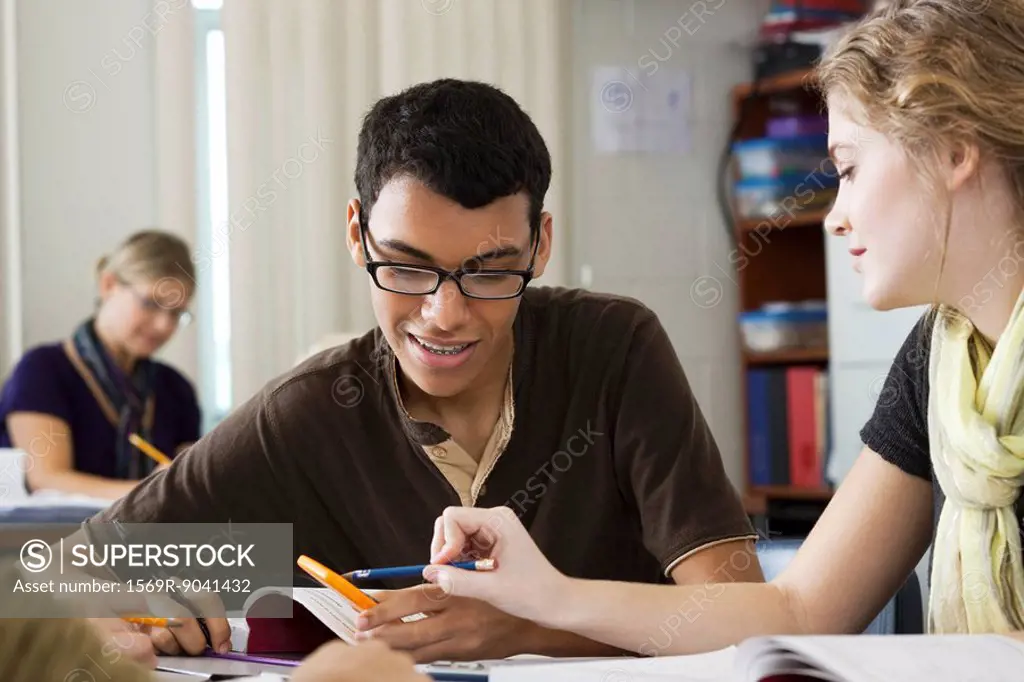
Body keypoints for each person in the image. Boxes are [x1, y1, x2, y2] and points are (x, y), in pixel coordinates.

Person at [366, 0, 1024, 654]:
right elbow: (798, 610)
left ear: (954, 150)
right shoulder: (940, 362)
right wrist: (548, 593)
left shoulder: (612, 343)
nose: (834, 216)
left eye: (848, 170)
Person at [83, 78, 763, 662]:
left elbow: (743, 615)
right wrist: (146, 593)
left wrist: (527, 626)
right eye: (406, 267)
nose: (444, 314)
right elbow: (49, 576)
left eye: (491, 272)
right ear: (357, 234)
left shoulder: (614, 348)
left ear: (541, 245)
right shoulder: (313, 411)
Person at [0, 230, 201, 500]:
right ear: (108, 285)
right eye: (151, 304)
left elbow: (194, 484)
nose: (164, 325)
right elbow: (46, 479)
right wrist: (155, 493)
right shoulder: (42, 371)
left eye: (177, 313)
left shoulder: (176, 388)